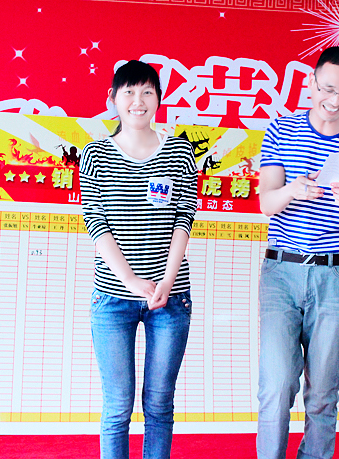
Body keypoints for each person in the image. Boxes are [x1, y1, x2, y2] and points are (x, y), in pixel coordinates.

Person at [256, 47, 339, 459]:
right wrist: (292, 190)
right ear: (311, 84)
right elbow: (266, 203)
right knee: (276, 385)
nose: (335, 99)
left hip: (336, 276)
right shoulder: (281, 129)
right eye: (328, 88)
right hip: (282, 272)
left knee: (324, 390)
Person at [79, 60, 198, 459]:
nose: (138, 100)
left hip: (170, 299)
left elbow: (184, 218)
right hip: (112, 300)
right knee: (117, 407)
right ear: (113, 99)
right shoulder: (95, 153)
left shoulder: (179, 151)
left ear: (159, 99)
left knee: (160, 405)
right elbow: (95, 223)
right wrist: (131, 282)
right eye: (129, 92)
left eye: (147, 91)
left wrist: (166, 281)